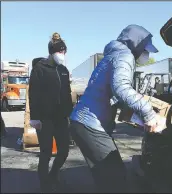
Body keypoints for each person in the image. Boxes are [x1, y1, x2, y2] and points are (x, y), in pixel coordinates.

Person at [69, 24, 162, 192]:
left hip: (83, 122)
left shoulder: (113, 55)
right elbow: (121, 88)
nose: (146, 54)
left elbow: (112, 92)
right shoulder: (124, 56)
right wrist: (148, 113)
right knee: (115, 177)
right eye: (145, 49)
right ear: (136, 45)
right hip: (90, 123)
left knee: (106, 177)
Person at [29, 39, 72, 193]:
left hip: (60, 119)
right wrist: (34, 117)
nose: (62, 54)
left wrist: (70, 114)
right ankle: (44, 184)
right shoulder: (40, 69)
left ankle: (53, 174)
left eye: (64, 51)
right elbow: (33, 93)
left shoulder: (63, 70)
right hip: (44, 119)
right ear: (52, 52)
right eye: (60, 51)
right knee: (45, 153)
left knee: (64, 151)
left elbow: (67, 94)